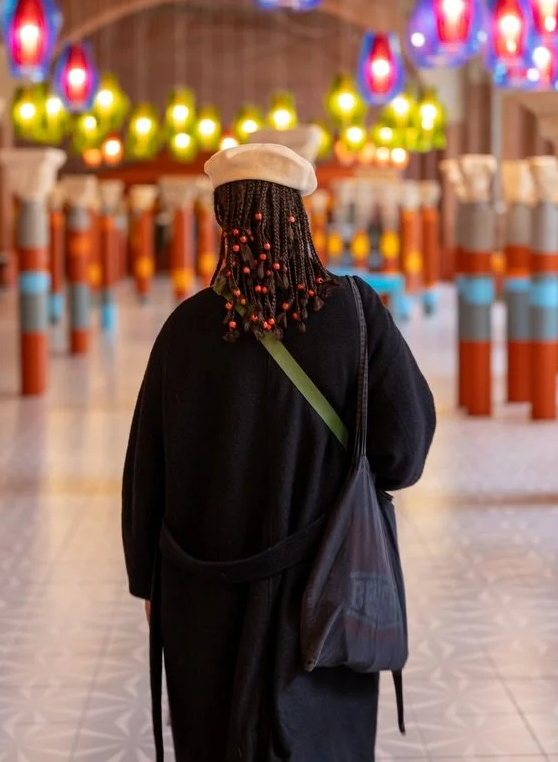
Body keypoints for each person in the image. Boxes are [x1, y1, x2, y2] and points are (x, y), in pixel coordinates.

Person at [122, 143, 437, 761]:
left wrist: (148, 582)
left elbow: (145, 476)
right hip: (323, 597)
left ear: (222, 222)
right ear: (301, 217)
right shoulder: (355, 313)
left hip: (203, 598)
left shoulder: (185, 331)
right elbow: (405, 452)